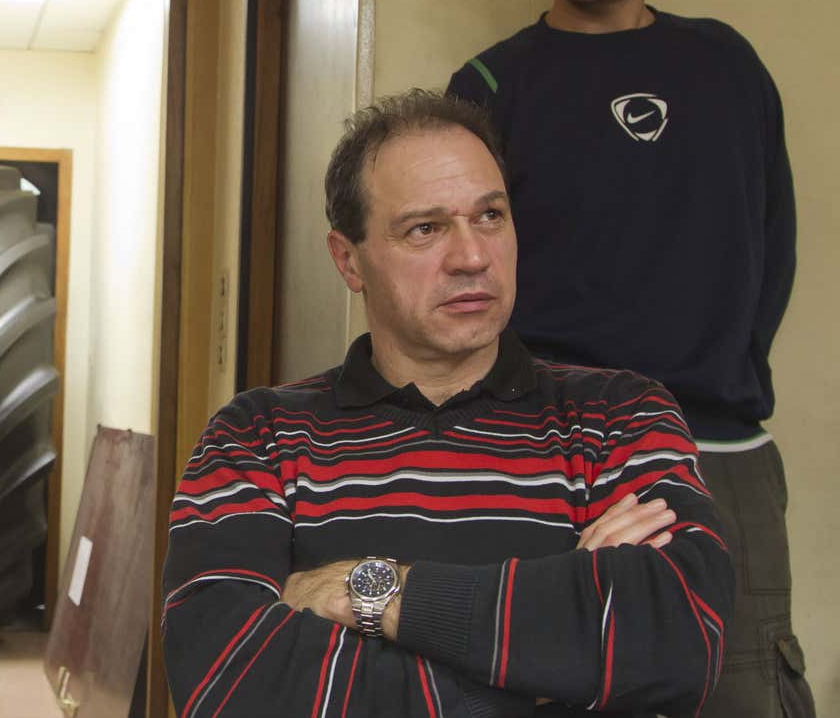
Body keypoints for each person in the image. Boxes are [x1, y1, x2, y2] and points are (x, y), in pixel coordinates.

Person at [162, 90, 733, 716]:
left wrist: (369, 590)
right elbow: (225, 683)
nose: (471, 257)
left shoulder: (620, 416)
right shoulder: (257, 435)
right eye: (425, 229)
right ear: (348, 260)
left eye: (490, 216)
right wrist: (551, 655)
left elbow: (678, 639)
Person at [445, 0, 810, 715]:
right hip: (548, 456)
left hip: (719, 452)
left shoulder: (727, 65)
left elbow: (773, 242)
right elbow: (459, 283)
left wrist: (719, 370)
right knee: (542, 688)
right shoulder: (491, 87)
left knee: (742, 689)